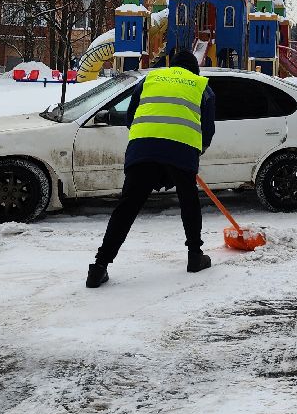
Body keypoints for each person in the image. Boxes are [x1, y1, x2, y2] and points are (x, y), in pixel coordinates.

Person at [87, 50, 216, 288]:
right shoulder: (201, 86)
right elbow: (207, 130)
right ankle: (195, 256)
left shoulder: (149, 79)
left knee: (127, 207)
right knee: (189, 201)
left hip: (143, 148)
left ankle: (99, 267)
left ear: (172, 66)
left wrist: (148, 140)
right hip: (182, 151)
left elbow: (131, 117)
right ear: (194, 69)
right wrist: (196, 151)